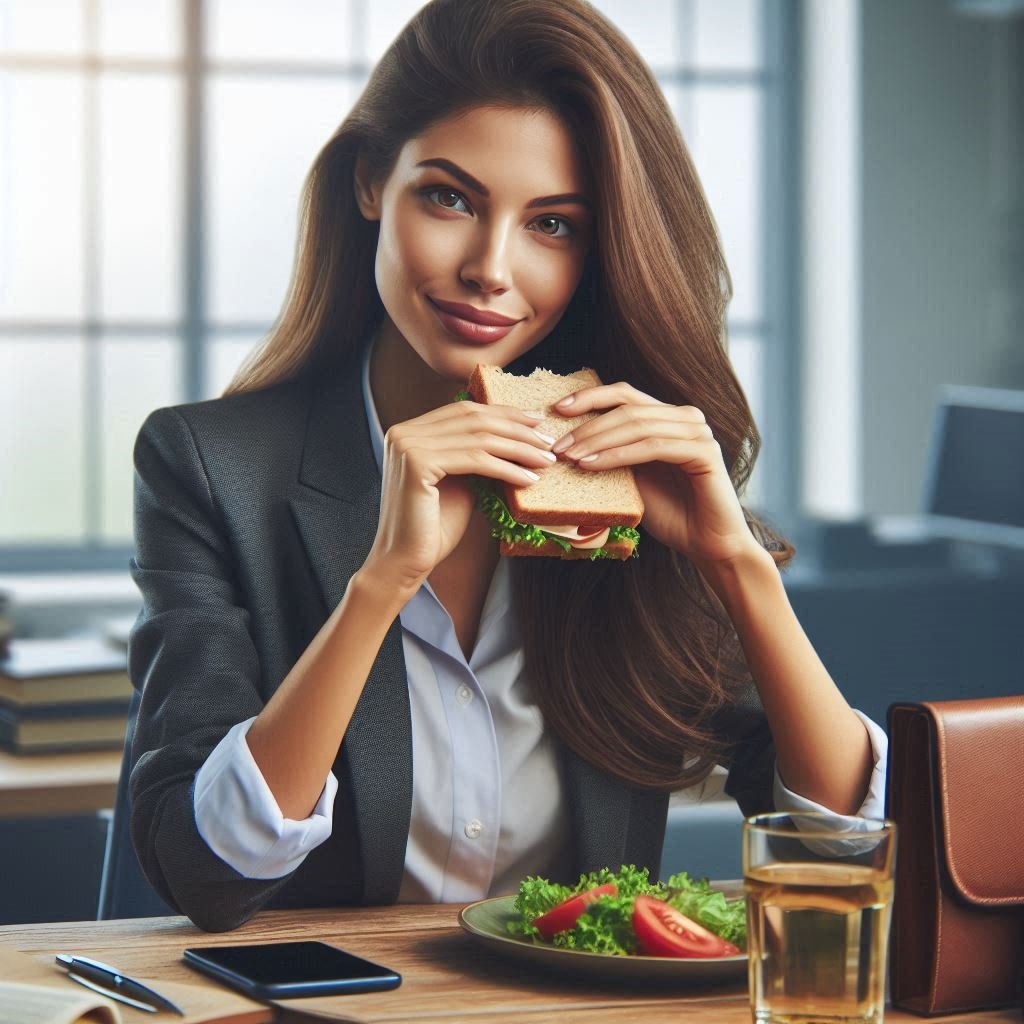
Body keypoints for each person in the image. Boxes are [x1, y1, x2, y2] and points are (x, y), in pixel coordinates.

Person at [127, 0, 886, 934]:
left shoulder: (629, 469)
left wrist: (734, 562)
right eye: (449, 197)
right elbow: (201, 870)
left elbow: (837, 850)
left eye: (554, 225)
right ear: (372, 181)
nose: (492, 268)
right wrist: (380, 583)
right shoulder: (208, 465)